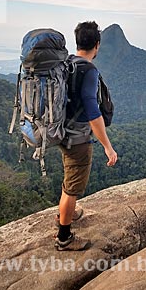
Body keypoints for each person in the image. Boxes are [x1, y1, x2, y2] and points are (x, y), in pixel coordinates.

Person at [54, 21, 118, 251]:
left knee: (69, 175)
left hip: (60, 132)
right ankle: (64, 237)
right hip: (77, 139)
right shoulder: (89, 71)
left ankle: (65, 212)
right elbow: (93, 111)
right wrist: (107, 147)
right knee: (73, 187)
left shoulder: (66, 63)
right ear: (97, 45)